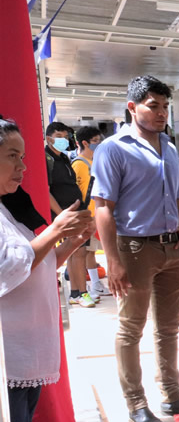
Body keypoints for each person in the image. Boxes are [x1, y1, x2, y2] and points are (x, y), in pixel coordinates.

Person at [0, 118, 95, 422]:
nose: (22, 167)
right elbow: (7, 270)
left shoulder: (9, 209)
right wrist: (55, 231)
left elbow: (31, 267)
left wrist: (69, 244)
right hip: (10, 357)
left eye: (23, 156)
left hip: (27, 352)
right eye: (12, 156)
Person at [92, 75, 179, 422]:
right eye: (153, 106)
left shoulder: (170, 148)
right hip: (135, 249)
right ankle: (136, 404)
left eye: (165, 106)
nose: (161, 113)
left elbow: (174, 196)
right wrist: (112, 260)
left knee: (169, 327)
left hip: (172, 247)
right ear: (132, 107)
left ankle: (172, 395)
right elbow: (103, 207)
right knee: (131, 328)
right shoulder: (113, 148)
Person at [45, 121, 91, 307]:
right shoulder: (46, 159)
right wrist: (61, 214)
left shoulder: (64, 158)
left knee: (75, 251)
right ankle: (81, 292)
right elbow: (46, 191)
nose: (64, 140)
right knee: (78, 251)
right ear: (49, 138)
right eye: (59, 137)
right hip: (65, 213)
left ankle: (75, 292)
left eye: (66, 137)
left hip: (75, 211)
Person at [72, 126, 106, 303]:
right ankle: (81, 291)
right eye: (95, 141)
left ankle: (95, 284)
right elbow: (78, 193)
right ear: (85, 142)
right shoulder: (79, 164)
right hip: (86, 217)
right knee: (82, 253)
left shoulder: (93, 162)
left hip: (94, 216)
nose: (98, 144)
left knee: (91, 251)